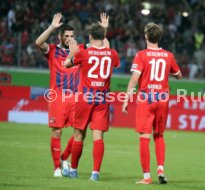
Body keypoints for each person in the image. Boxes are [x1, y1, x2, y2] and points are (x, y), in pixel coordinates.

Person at [35, 12, 109, 177]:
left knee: (80, 132)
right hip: (58, 97)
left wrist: (103, 29)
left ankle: (64, 159)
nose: (69, 38)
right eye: (66, 35)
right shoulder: (52, 51)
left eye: (72, 35)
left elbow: (102, 47)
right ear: (60, 37)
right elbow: (39, 42)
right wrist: (52, 27)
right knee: (57, 132)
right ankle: (57, 169)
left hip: (78, 97)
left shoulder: (81, 49)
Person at [122, 23, 182, 184]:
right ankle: (160, 169)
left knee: (144, 136)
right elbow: (179, 75)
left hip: (147, 98)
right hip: (163, 99)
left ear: (146, 37)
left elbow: (135, 78)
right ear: (159, 37)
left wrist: (127, 98)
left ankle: (147, 177)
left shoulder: (141, 55)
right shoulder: (168, 55)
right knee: (159, 135)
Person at [64, 22, 120, 181]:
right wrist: (105, 30)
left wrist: (71, 53)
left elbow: (66, 65)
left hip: (84, 99)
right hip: (102, 100)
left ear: (89, 36)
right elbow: (112, 59)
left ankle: (73, 170)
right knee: (98, 137)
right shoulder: (112, 53)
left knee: (78, 135)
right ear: (103, 36)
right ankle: (95, 173)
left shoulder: (84, 53)